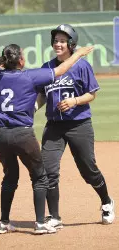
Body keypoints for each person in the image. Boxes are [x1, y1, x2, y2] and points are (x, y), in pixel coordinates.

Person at [0, 37, 93, 235]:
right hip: (22, 135)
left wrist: (5, 61)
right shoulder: (30, 77)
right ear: (19, 61)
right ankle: (40, 223)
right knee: (40, 176)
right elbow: (60, 70)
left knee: (10, 177)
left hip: (0, 135)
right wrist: (78, 54)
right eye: (23, 56)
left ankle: (3, 223)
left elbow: (0, 69)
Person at [35, 24, 115, 229]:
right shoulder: (47, 67)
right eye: (55, 41)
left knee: (89, 170)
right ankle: (54, 216)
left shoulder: (81, 65)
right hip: (54, 126)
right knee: (48, 170)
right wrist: (31, 108)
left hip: (79, 125)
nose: (58, 44)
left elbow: (92, 94)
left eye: (62, 41)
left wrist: (75, 101)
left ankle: (106, 201)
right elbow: (43, 94)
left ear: (71, 44)